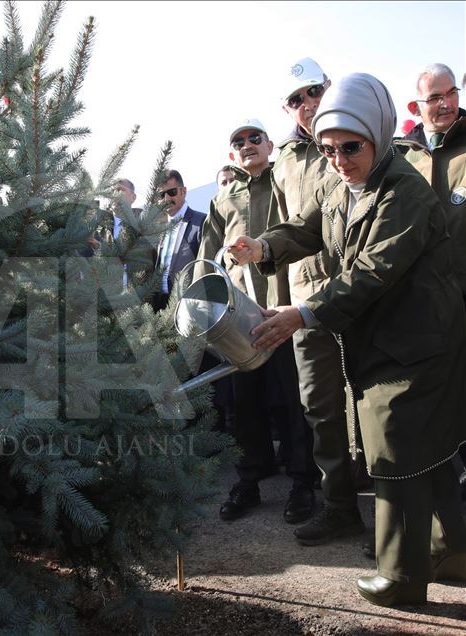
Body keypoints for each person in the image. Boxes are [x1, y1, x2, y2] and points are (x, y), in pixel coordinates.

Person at [228, 73, 466, 607]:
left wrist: (303, 312)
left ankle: (401, 577)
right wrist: (262, 246)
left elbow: (370, 272)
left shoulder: (403, 191)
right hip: (383, 341)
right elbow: (307, 228)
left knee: (395, 453)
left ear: (379, 134)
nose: (338, 159)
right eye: (328, 148)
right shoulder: (344, 184)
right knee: (428, 454)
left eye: (351, 147)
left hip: (417, 343)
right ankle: (451, 550)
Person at [195, 119, 315, 524]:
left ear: (268, 144)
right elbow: (205, 263)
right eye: (238, 142)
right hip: (240, 323)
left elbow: (305, 232)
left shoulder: (286, 181)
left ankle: (303, 484)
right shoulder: (223, 199)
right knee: (244, 408)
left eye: (254, 138)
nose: (247, 145)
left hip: (284, 312)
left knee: (298, 405)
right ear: (232, 154)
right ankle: (248, 481)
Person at [270, 57, 365, 547]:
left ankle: (394, 514)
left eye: (313, 91)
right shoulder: (282, 161)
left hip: (363, 293)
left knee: (374, 399)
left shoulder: (362, 133)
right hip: (306, 299)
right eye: (296, 99)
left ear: (329, 86)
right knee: (320, 408)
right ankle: (340, 507)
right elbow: (291, 228)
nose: (307, 104)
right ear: (285, 109)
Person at [398, 62, 466, 501]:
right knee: (435, 407)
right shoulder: (403, 158)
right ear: (415, 106)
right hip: (422, 306)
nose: (443, 104)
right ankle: (442, 514)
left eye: (450, 94)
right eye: (433, 98)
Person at [151, 170, 205, 312]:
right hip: (160, 306)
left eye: (172, 192)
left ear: (184, 191)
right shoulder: (160, 231)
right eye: (161, 195)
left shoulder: (201, 222)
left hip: (189, 304)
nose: (166, 199)